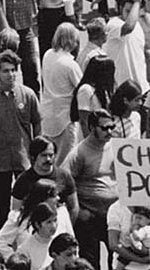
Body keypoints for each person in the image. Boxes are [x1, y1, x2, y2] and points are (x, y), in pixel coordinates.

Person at [0, 52, 42, 232]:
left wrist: (37, 151)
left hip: (24, 157)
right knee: (2, 198)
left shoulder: (27, 94)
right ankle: (1, 231)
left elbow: (37, 122)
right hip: (0, 158)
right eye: (6, 71)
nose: (11, 74)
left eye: (14, 70)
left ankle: (30, 228)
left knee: (29, 196)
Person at [61, 110, 118, 270]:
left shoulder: (115, 147)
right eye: (104, 128)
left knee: (116, 260)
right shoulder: (79, 153)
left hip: (113, 215)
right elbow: (63, 182)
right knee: (91, 263)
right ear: (92, 127)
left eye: (112, 127)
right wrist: (78, 210)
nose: (109, 132)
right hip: (89, 217)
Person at [38, 23, 82, 162]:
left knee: (49, 158)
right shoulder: (70, 64)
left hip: (47, 114)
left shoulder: (47, 55)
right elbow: (82, 88)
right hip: (65, 118)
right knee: (65, 161)